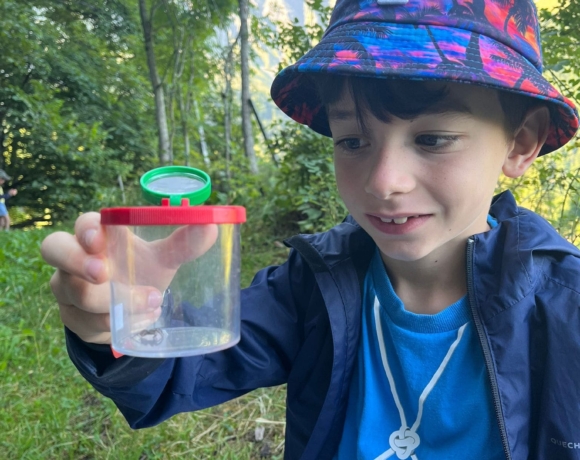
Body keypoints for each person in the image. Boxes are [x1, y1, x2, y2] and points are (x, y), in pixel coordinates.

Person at [41, 0, 580, 458]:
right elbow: (178, 376)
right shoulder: (315, 284)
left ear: (520, 142)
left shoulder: (566, 306)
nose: (383, 181)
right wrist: (134, 319)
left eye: (433, 139)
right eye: (352, 141)